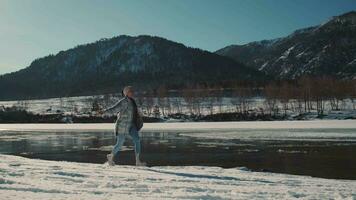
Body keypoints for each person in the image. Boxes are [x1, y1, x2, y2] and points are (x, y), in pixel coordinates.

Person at [102, 86, 145, 166]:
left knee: (137, 140)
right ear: (126, 93)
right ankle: (110, 156)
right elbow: (114, 109)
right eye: (130, 91)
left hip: (132, 125)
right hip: (123, 125)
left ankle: (138, 161)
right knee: (120, 143)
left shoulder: (133, 101)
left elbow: (135, 112)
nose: (132, 92)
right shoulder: (123, 102)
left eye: (132, 91)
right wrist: (104, 112)